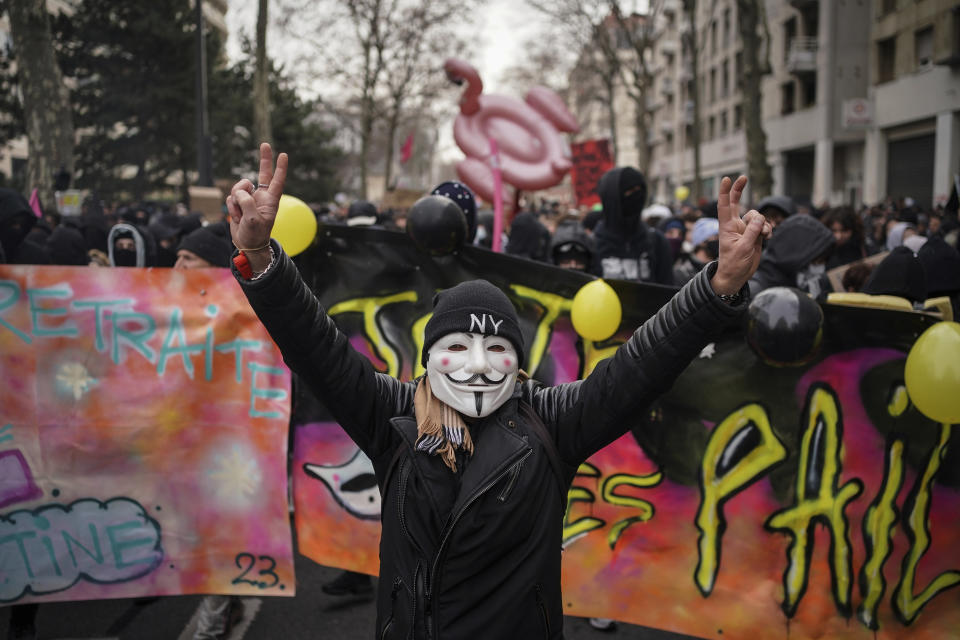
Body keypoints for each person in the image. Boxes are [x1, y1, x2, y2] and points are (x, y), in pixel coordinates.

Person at [225, 144, 770, 639]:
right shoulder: (394, 416)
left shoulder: (551, 422)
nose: (478, 366)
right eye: (457, 348)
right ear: (429, 358)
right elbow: (317, 348)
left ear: (519, 360)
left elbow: (639, 366)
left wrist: (715, 288)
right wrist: (264, 260)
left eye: (496, 349)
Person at [171, 220, 247, 640]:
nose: (176, 265)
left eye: (188, 258)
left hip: (227, 445)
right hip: (181, 441)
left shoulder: (239, 315)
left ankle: (213, 622)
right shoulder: (164, 307)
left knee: (222, 529)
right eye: (178, 256)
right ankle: (228, 602)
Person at [591, 167, 674, 285]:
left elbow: (667, 291)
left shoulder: (657, 242)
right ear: (612, 197)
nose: (636, 196)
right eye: (629, 191)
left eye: (639, 190)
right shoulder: (592, 244)